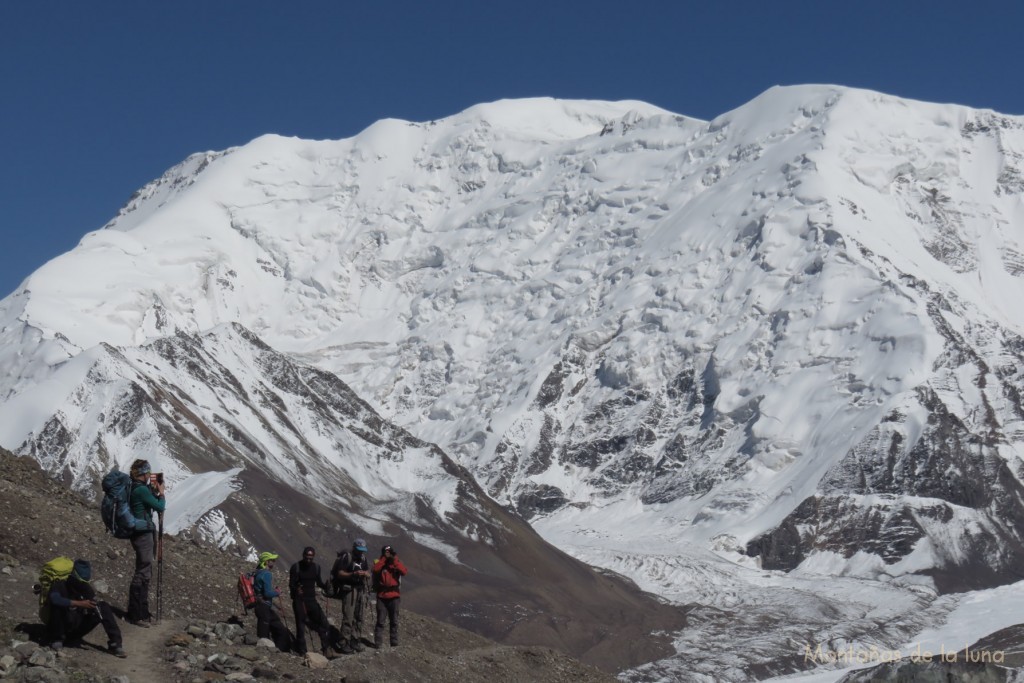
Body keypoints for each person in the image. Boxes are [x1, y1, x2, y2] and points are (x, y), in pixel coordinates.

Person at [47, 559, 126, 658]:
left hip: (76, 627)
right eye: (80, 581)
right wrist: (79, 603)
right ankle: (57, 639)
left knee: (103, 607)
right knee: (58, 606)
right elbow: (54, 599)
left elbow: (93, 604)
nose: (82, 585)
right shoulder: (60, 585)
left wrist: (94, 607)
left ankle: (115, 644)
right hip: (60, 627)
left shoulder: (85, 588)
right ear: (73, 576)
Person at [126, 459, 164, 627]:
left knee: (144, 570)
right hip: (143, 534)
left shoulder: (135, 488)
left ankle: (142, 612)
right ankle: (136, 614)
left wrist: (153, 491)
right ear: (144, 473)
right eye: (148, 473)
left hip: (139, 532)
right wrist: (161, 493)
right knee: (143, 571)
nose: (150, 475)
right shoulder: (140, 490)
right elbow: (159, 506)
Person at [288, 546, 332, 657]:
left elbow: (319, 582)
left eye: (311, 558)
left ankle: (326, 649)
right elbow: (291, 584)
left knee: (324, 623)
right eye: (307, 557)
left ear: (313, 557)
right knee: (301, 626)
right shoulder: (296, 567)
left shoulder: (316, 568)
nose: (308, 560)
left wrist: (325, 586)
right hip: (299, 600)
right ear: (303, 556)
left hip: (311, 600)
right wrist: (296, 589)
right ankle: (302, 651)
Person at [330, 538, 370, 654]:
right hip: (349, 590)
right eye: (359, 550)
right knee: (348, 616)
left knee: (359, 616)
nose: (361, 552)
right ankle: (343, 642)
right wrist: (353, 574)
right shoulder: (347, 557)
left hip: (360, 589)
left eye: (362, 550)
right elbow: (340, 573)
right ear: (354, 548)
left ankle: (355, 639)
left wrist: (366, 574)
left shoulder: (363, 559)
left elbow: (367, 570)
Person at [253, 551, 292, 652]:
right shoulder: (267, 574)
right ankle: (275, 651)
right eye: (272, 560)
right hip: (264, 606)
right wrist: (277, 592)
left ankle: (275, 650)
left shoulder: (258, 572)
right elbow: (267, 594)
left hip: (259, 606)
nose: (274, 562)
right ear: (266, 561)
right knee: (266, 634)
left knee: (273, 628)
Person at [372, 545, 407, 648]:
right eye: (385, 552)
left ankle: (394, 643)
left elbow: (404, 571)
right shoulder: (380, 563)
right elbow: (375, 569)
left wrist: (394, 560)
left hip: (394, 596)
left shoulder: (396, 564)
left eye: (389, 552)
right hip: (382, 596)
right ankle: (378, 644)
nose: (387, 554)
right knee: (380, 621)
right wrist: (383, 559)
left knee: (394, 621)